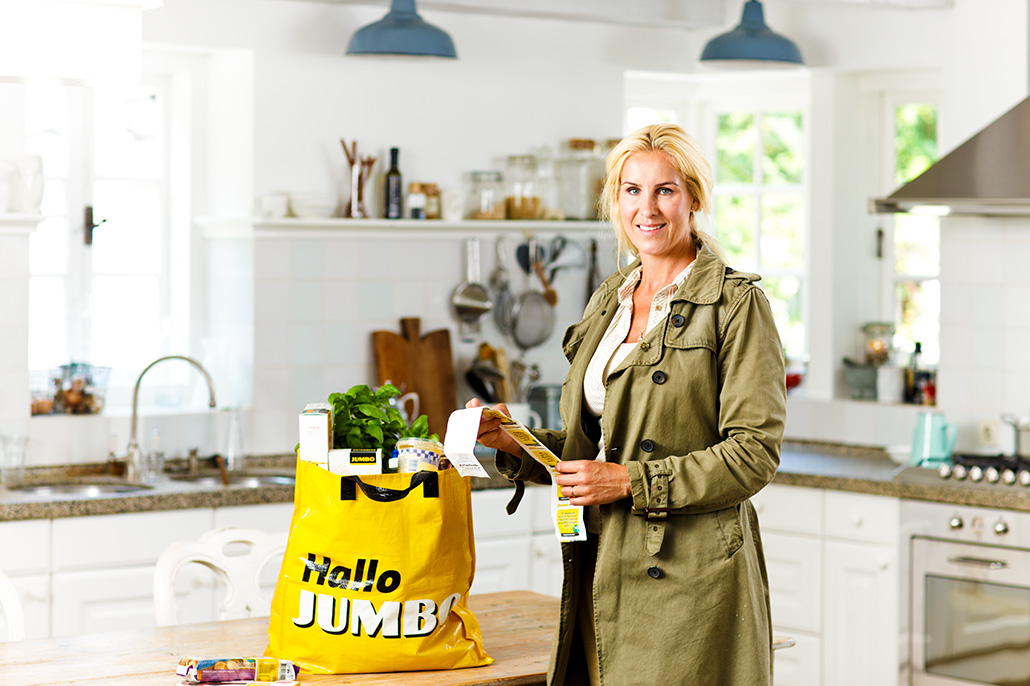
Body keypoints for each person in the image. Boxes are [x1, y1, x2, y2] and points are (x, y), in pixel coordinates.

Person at [467, 123, 786, 686]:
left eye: (665, 190)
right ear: (616, 202)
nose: (648, 208)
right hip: (601, 565)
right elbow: (597, 451)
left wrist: (630, 482)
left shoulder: (736, 304)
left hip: (693, 578)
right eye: (632, 190)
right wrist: (515, 440)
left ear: (693, 197)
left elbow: (753, 454)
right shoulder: (608, 301)